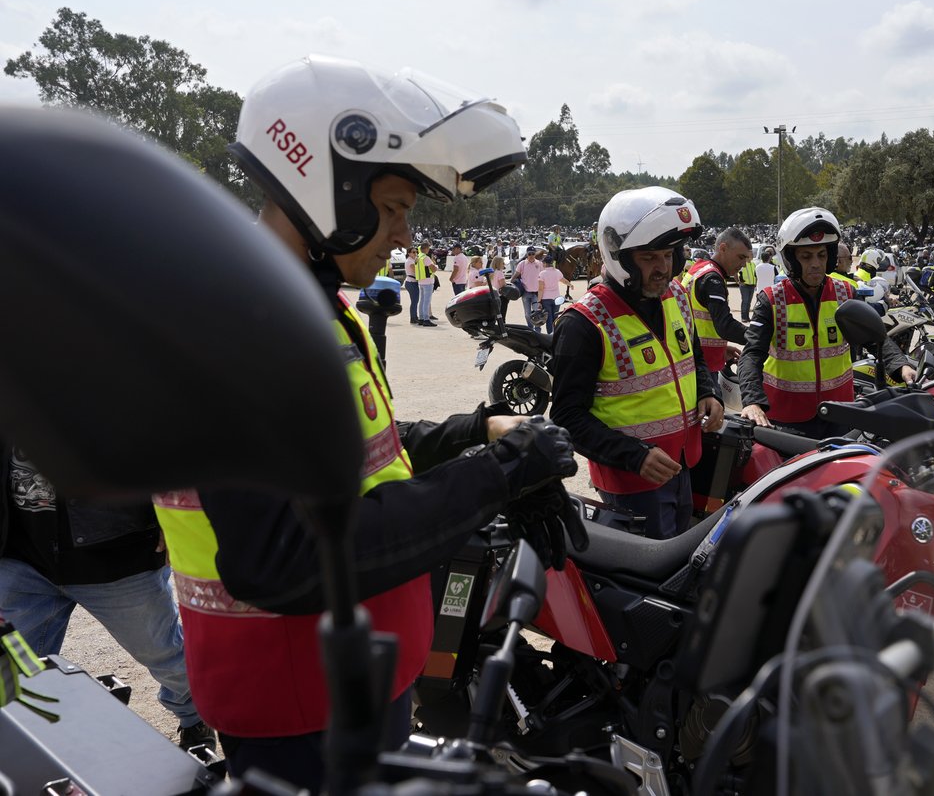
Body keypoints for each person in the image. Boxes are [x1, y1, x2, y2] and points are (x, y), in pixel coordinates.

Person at [158, 56, 586, 788]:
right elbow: (282, 557)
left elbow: (355, 456)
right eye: (392, 209)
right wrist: (498, 477)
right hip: (300, 699)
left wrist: (479, 434)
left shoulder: (301, 309)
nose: (402, 236)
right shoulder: (239, 332)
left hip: (348, 677)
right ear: (329, 191)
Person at [0, 443, 215, 750]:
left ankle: (195, 719)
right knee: (13, 670)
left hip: (116, 552)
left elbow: (162, 432)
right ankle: (30, 746)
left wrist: (171, 511)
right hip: (20, 554)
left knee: (162, 651)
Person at [550, 187, 724, 539]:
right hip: (631, 484)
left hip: (684, 465)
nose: (662, 268)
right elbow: (566, 418)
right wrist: (635, 455)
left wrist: (708, 392)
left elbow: (694, 357)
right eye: (649, 258)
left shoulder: (675, 295)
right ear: (619, 256)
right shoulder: (583, 323)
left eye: (668, 255)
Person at [739, 209, 915, 437]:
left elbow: (875, 338)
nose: (816, 264)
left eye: (822, 255)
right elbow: (752, 354)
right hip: (787, 418)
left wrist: (901, 366)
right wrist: (752, 401)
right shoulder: (771, 300)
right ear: (790, 259)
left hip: (840, 413)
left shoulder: (846, 294)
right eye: (806, 256)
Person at [679, 226, 754, 374]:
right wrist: (760, 336)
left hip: (693, 359)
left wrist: (720, 349)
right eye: (741, 257)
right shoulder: (712, 278)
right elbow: (725, 325)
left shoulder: (698, 269)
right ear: (723, 248)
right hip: (703, 367)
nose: (744, 264)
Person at [515, 247, 544, 326]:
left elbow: (543, 276)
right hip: (525, 293)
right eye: (529, 254)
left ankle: (537, 331)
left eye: (533, 254)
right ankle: (530, 329)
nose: (531, 255)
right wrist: (511, 282)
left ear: (535, 254)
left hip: (536, 293)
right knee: (527, 314)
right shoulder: (522, 264)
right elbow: (516, 275)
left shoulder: (539, 264)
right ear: (526, 254)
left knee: (537, 313)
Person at [537, 254, 565, 332]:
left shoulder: (542, 274)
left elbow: (540, 289)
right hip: (556, 298)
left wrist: (539, 301)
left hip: (546, 299)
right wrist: (570, 284)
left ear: (545, 263)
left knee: (549, 318)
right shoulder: (557, 272)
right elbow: (563, 280)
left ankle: (550, 334)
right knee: (556, 317)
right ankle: (556, 333)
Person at [414, 241, 439, 325]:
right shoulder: (426, 257)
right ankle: (426, 319)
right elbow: (433, 269)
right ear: (426, 248)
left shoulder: (418, 257)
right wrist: (436, 266)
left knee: (422, 300)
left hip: (421, 280)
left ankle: (421, 318)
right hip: (428, 281)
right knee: (426, 301)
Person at [737, 253, 758, 322]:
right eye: (751, 255)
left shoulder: (753, 264)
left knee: (749, 302)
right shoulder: (743, 264)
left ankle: (747, 317)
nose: (752, 256)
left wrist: (755, 283)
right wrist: (738, 281)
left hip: (752, 285)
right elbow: (737, 272)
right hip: (745, 285)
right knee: (745, 301)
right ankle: (743, 317)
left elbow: (755, 274)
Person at [403, 246, 421, 324]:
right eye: (413, 252)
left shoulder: (412, 260)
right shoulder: (410, 261)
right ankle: (413, 318)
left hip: (412, 282)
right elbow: (416, 271)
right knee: (414, 301)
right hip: (411, 282)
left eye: (416, 252)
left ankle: (414, 317)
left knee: (415, 301)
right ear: (409, 253)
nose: (415, 253)